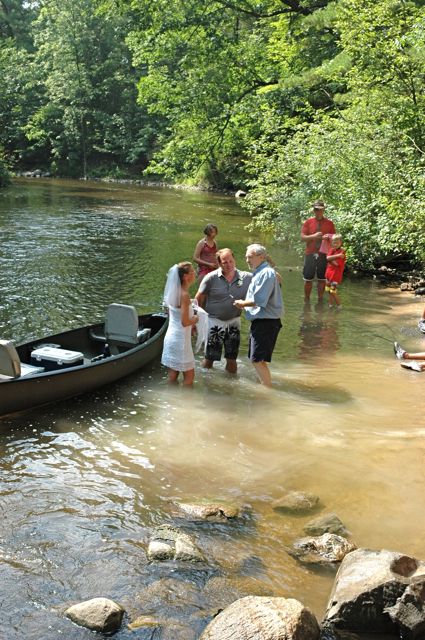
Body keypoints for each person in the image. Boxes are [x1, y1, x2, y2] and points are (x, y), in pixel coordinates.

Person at [195, 248, 252, 374]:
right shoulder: (210, 278)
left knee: (232, 358)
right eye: (225, 262)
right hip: (214, 322)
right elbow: (198, 300)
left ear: (235, 260)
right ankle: (206, 382)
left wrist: (272, 272)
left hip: (234, 322)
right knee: (210, 357)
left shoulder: (246, 277)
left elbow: (264, 283)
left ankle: (231, 386)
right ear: (219, 263)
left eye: (231, 261)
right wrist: (197, 322)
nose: (229, 265)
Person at [233, 244, 283, 387]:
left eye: (250, 257)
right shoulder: (263, 272)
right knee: (258, 359)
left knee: (257, 359)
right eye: (246, 257)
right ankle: (265, 383)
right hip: (264, 321)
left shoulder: (266, 273)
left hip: (266, 322)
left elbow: (260, 300)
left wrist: (242, 304)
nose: (247, 260)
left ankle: (266, 389)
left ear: (261, 257)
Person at [161, 261, 199, 385]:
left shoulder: (173, 292)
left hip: (171, 337)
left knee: (173, 374)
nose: (195, 274)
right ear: (185, 277)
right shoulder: (184, 295)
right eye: (192, 272)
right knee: (189, 377)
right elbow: (185, 322)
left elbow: (174, 312)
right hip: (180, 340)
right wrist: (196, 318)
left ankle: (170, 397)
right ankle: (186, 402)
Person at [301, 200, 335, 303]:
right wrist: (313, 236)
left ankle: (320, 301)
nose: (318, 211)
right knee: (308, 279)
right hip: (310, 253)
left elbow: (335, 239)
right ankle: (306, 301)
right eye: (316, 209)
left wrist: (328, 237)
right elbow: (302, 237)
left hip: (323, 254)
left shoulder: (329, 223)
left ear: (324, 210)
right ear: (313, 210)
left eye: (320, 209)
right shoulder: (308, 222)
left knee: (322, 279)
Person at [325, 234, 346, 310]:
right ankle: (330, 306)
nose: (335, 244)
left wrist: (330, 259)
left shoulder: (342, 252)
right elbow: (327, 258)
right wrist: (337, 256)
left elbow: (336, 264)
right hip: (328, 274)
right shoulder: (332, 250)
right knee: (328, 290)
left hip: (335, 276)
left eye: (337, 242)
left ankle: (339, 306)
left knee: (333, 291)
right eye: (334, 242)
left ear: (341, 243)